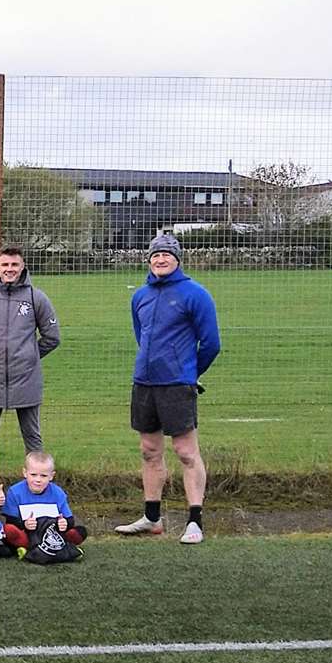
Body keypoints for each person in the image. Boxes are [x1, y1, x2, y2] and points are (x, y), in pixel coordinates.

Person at [116, 233, 221, 544]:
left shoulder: (195, 294)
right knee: (149, 451)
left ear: (177, 259)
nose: (160, 260)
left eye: (166, 255)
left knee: (186, 453)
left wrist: (188, 372)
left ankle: (195, 521)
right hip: (144, 383)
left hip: (177, 385)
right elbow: (142, 335)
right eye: (155, 255)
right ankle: (151, 518)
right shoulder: (141, 296)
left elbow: (211, 343)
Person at [0, 247, 61, 471]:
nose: (10, 270)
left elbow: (52, 337)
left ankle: (37, 487)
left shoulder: (37, 298)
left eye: (14, 265)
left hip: (27, 379)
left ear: (22, 266)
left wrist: (29, 356)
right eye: (5, 265)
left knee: (32, 437)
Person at [2, 451, 87, 555]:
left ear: (51, 476)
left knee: (80, 531)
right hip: (28, 533)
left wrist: (64, 523)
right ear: (25, 473)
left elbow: (69, 520)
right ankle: (28, 545)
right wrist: (25, 524)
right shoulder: (14, 492)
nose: (38, 480)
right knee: (8, 530)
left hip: (52, 534)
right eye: (33, 475)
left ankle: (31, 549)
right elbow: (11, 520)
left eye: (43, 476)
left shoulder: (58, 493)